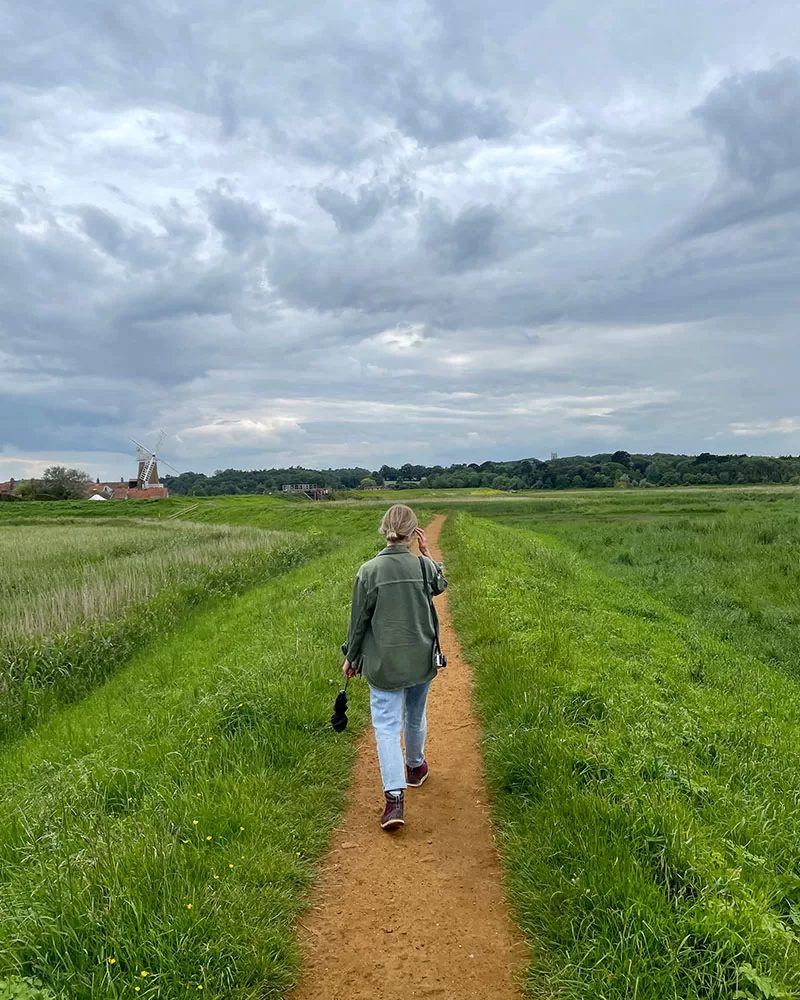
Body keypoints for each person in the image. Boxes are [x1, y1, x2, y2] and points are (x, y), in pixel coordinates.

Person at [341, 504, 447, 830]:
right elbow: (440, 585)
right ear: (413, 533)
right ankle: (415, 767)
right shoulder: (422, 566)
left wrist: (352, 656)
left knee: (387, 727)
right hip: (421, 658)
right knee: (415, 715)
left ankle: (394, 800)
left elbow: (358, 622)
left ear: (384, 530)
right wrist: (427, 554)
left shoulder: (369, 571)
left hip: (384, 663)